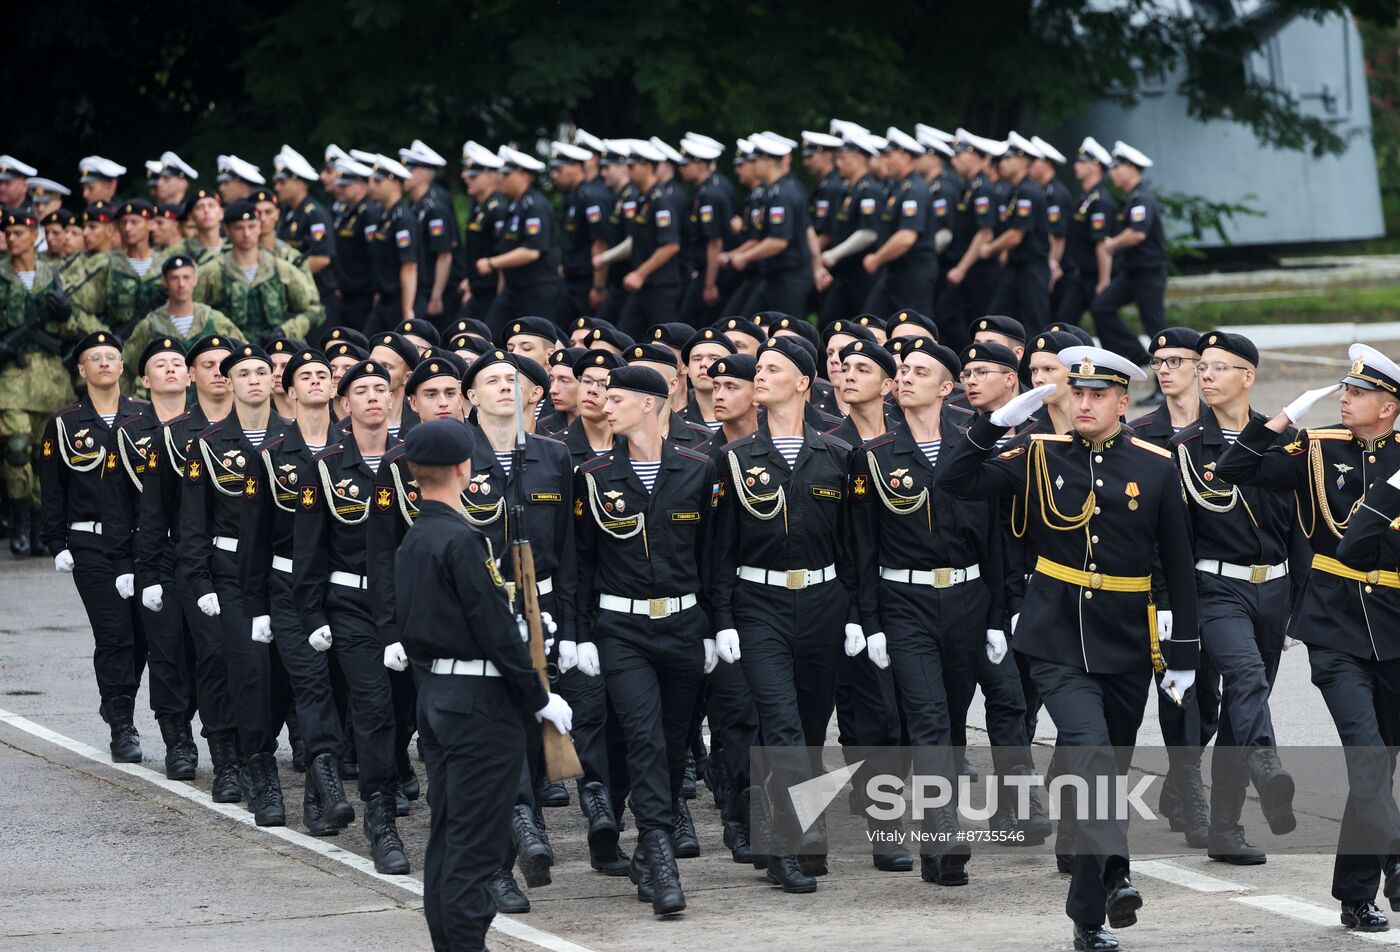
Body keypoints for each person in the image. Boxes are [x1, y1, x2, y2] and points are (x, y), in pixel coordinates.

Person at [938, 345, 1198, 951]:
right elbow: (952, 481)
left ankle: (1088, 914)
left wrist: (1182, 652)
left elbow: (1180, 567)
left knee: (1100, 769)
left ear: (1121, 401)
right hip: (1055, 634)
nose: (1083, 404)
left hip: (1128, 636)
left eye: (1097, 395)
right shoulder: (1035, 455)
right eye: (1075, 393)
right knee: (1087, 750)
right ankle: (1117, 871)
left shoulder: (1158, 465)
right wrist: (991, 425)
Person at [1217, 343, 1400, 932]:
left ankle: (1357, 889)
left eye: (1359, 393)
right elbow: (1234, 469)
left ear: (1389, 408)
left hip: (1396, 626)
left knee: (1380, 768)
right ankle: (1386, 872)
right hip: (1335, 626)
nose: (1344, 399)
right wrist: (1282, 420)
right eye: (1345, 390)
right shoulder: (1319, 450)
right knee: (1367, 759)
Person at [395, 419, 572, 952]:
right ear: (464, 469)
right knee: (476, 844)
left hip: (440, 698)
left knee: (450, 839)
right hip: (479, 707)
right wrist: (540, 698)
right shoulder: (461, 540)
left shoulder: (416, 537)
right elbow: (495, 631)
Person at [710, 336, 856, 892]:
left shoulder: (838, 455)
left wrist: (857, 613)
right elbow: (719, 549)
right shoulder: (735, 459)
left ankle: (792, 832)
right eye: (759, 369)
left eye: (773, 369)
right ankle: (787, 847)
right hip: (758, 603)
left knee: (813, 728)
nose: (761, 376)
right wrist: (722, 618)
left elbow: (853, 545)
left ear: (803, 382)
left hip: (823, 602)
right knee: (782, 724)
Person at [574, 365, 717, 916]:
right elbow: (582, 563)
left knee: (674, 739)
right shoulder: (593, 474)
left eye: (618, 399)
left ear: (653, 405)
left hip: (683, 627)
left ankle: (645, 847)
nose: (605, 406)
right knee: (643, 737)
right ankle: (658, 852)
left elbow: (712, 555)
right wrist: (581, 634)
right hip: (621, 629)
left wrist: (714, 624)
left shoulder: (698, 469)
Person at [1168, 331, 1299, 864]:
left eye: (1219, 367)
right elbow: (1172, 536)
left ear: (1248, 377)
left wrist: (1303, 600)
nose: (1207, 376)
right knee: (1245, 679)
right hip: (1216, 587)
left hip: (1276, 586)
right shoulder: (1185, 448)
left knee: (1246, 701)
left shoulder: (1287, 439)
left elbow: (1303, 528)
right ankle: (1265, 763)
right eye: (1204, 367)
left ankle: (1225, 828)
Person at [293, 358, 410, 874]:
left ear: (392, 399)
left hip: (409, 606)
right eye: (359, 390)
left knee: (408, 710)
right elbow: (309, 547)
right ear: (344, 405)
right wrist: (311, 610)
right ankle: (380, 817)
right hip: (350, 606)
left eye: (379, 389)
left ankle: (387, 772)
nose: (371, 397)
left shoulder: (413, 462)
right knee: (373, 703)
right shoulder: (325, 467)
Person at [137, 334, 242, 802]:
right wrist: (150, 575)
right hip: (176, 561)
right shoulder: (170, 435)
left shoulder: (262, 432)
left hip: (234, 564)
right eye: (209, 364)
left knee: (220, 658)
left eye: (228, 364)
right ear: (193, 374)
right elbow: (154, 514)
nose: (219, 372)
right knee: (171, 654)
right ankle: (178, 737)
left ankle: (231, 750)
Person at [40, 331, 147, 761]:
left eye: (111, 357)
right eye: (94, 358)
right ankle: (123, 721)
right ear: (81, 369)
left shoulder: (144, 416)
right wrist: (55, 541)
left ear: (122, 367)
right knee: (114, 631)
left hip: (141, 543)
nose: (104, 363)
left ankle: (115, 698)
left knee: (142, 633)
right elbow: (53, 486)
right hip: (91, 543)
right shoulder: (65, 423)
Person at [104, 338, 201, 780]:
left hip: (201, 553)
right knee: (164, 650)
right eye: (159, 365)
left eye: (178, 363)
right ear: (144, 379)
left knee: (205, 652)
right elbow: (118, 505)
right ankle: (177, 736)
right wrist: (125, 563)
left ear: (191, 375)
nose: (170, 371)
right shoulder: (127, 433)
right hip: (152, 554)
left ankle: (213, 729)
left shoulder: (206, 426)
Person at [1, 206, 98, 557]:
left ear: (33, 235)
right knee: (15, 447)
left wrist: (66, 315)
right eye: (7, 233)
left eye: (19, 233)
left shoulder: (55, 276)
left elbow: (80, 327)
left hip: (51, 376)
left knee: (49, 454)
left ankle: (45, 521)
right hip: (11, 377)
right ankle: (21, 516)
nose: (12, 239)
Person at [1090, 142, 1168, 386]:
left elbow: (1138, 233)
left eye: (1116, 167)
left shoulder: (1141, 197)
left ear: (1131, 168)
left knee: (1156, 329)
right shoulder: (1131, 197)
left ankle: (1164, 384)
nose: (1111, 173)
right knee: (1102, 307)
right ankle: (1133, 354)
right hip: (1131, 273)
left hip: (1149, 273)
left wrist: (1112, 244)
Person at [194, 200, 325, 343]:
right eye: (239, 228)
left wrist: (287, 330)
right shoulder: (213, 271)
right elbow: (193, 312)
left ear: (259, 227)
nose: (246, 233)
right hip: (230, 353)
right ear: (227, 230)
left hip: (277, 352)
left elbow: (315, 309)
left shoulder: (281, 269)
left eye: (251, 226)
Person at [591, 140, 684, 341]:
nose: (628, 170)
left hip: (660, 286)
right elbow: (635, 241)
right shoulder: (645, 200)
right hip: (645, 285)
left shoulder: (661, 201)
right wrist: (606, 258)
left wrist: (640, 274)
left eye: (632, 166)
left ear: (648, 167)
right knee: (624, 336)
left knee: (667, 341)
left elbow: (670, 245)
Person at [121, 254, 240, 394]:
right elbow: (126, 368)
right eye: (174, 278)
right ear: (165, 282)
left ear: (195, 279)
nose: (181, 284)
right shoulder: (150, 326)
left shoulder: (214, 320)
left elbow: (243, 359)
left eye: (186, 277)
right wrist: (131, 404)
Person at [722, 134, 813, 317]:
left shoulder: (782, 194)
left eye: (756, 161)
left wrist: (744, 257)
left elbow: (778, 241)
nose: (752, 166)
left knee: (788, 336)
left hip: (788, 278)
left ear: (769, 162)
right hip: (774, 276)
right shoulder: (775, 191)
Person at [482, 147, 564, 335]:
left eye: (507, 174)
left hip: (536, 290)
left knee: (535, 340)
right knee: (492, 336)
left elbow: (532, 250)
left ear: (524, 176)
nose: (501, 179)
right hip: (513, 288)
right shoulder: (514, 205)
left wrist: (491, 263)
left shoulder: (535, 206)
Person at [936, 131, 1005, 351]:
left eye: (961, 154)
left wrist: (961, 268)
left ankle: (970, 359)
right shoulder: (970, 187)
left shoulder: (983, 188)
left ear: (976, 156)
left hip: (979, 271)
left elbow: (985, 232)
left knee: (969, 322)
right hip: (969, 268)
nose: (954, 160)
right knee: (951, 317)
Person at [861, 129, 938, 319]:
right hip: (894, 270)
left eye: (890, 155)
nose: (885, 160)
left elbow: (907, 237)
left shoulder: (915, 190)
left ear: (905, 157)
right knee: (871, 323)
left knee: (913, 329)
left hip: (913, 272)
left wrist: (877, 258)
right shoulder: (898, 187)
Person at [983, 133, 1051, 332]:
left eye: (1008, 158)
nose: (1002, 163)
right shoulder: (1016, 190)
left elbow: (1016, 234)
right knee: (999, 317)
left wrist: (990, 248)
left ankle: (1043, 361)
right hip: (1017, 265)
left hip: (1031, 267)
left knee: (1034, 320)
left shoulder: (1028, 191)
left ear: (1023, 161)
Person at [819, 133, 884, 325]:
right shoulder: (851, 189)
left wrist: (833, 254)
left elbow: (869, 232)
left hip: (860, 272)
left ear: (858, 159)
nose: (838, 164)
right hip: (845, 272)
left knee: (862, 324)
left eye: (843, 159)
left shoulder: (869, 189)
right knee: (830, 322)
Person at [1055, 138, 1117, 329]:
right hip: (1081, 274)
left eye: (1082, 162)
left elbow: (1101, 243)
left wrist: (1104, 280)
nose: (1076, 166)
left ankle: (1135, 355)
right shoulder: (1085, 198)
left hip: (1093, 275)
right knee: (1065, 322)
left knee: (1105, 322)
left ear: (1095, 166)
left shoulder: (1100, 201)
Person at [399, 140, 465, 323]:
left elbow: (445, 255)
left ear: (421, 175)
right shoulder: (416, 204)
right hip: (425, 284)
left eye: (409, 171)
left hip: (440, 289)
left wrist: (436, 296)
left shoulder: (435, 206)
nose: (403, 176)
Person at [677, 135, 738, 328]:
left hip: (714, 271)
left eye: (686, 164)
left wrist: (709, 284)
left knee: (694, 325)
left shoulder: (709, 194)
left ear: (700, 164)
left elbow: (715, 242)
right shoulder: (716, 185)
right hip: (715, 269)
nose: (681, 169)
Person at [551, 141, 610, 325]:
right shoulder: (574, 196)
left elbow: (599, 242)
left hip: (587, 280)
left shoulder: (591, 196)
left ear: (576, 166)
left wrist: (598, 286)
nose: (555, 176)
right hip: (571, 279)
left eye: (559, 170)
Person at [273, 145, 337, 313]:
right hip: (297, 295)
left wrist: (287, 276)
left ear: (299, 182)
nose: (277, 187)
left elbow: (322, 259)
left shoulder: (314, 214)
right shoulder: (287, 213)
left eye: (282, 182)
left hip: (319, 296)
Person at [456, 143, 510, 326]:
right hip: (478, 288)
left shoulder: (498, 208)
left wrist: (501, 296)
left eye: (473, 175)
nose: (465, 177)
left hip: (492, 291)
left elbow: (503, 253)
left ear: (490, 175)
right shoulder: (479, 206)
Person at [330, 156, 381, 333]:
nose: (339, 189)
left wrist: (376, 290)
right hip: (347, 290)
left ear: (361, 184)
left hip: (363, 292)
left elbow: (375, 255)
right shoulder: (347, 211)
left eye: (345, 185)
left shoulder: (369, 212)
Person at [174, 187, 225, 265]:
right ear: (191, 216)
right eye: (199, 207)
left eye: (211, 206)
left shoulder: (233, 246)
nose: (206, 210)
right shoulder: (181, 250)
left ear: (221, 213)